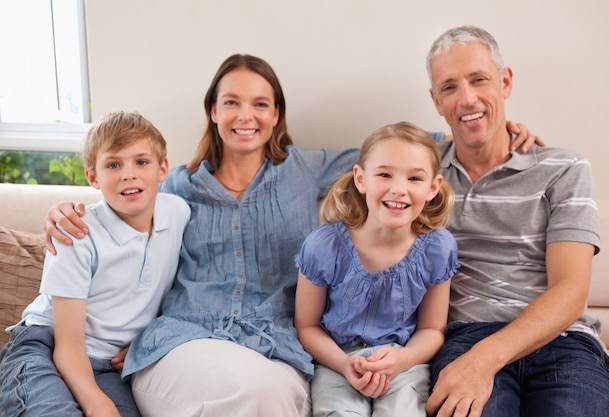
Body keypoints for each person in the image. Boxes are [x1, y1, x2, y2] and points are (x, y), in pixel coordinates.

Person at [41, 54, 541, 417]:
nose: (246, 115)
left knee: (276, 396)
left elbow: (402, 155)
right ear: (212, 110)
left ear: (276, 114)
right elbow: (119, 204)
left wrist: (496, 130)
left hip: (277, 343)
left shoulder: (309, 169)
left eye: (261, 103)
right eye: (231, 102)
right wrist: (64, 209)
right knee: (255, 393)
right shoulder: (178, 186)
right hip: (188, 338)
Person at [423, 26, 609, 417]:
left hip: (563, 341)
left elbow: (570, 290)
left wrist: (485, 360)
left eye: (479, 80)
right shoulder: (421, 172)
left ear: (505, 81)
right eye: (449, 88)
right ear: (436, 101)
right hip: (466, 335)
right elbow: (370, 164)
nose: (467, 98)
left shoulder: (564, 167)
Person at [0, 111, 190, 417]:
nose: (129, 173)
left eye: (141, 161)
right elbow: (67, 345)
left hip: (109, 368)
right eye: (114, 164)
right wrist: (96, 403)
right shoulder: (76, 232)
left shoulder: (179, 212)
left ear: (162, 168)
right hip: (47, 349)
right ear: (93, 177)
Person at [294, 121, 459, 417]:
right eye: (384, 174)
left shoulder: (438, 248)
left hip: (404, 365)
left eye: (414, 178)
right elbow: (306, 326)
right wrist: (345, 364)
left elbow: (432, 329)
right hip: (337, 362)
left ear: (433, 187)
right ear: (361, 179)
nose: (398, 189)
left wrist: (403, 358)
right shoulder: (323, 246)